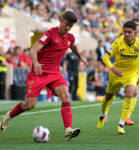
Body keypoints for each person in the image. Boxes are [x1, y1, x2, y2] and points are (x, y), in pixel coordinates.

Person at [0, 11, 88, 141]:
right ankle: (8, 116)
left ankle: (68, 130)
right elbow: (34, 49)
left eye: (70, 26)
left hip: (54, 74)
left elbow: (72, 46)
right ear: (60, 20)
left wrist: (80, 57)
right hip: (39, 73)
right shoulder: (50, 34)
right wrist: (35, 63)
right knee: (29, 105)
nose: (68, 28)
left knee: (65, 94)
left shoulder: (70, 38)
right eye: (66, 24)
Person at [97, 21, 139, 134]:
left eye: (129, 32)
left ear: (135, 32)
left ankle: (121, 124)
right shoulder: (117, 43)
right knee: (108, 96)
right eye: (125, 32)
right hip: (116, 73)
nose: (127, 34)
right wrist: (113, 68)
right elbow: (105, 58)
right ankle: (102, 115)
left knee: (130, 93)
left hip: (132, 74)